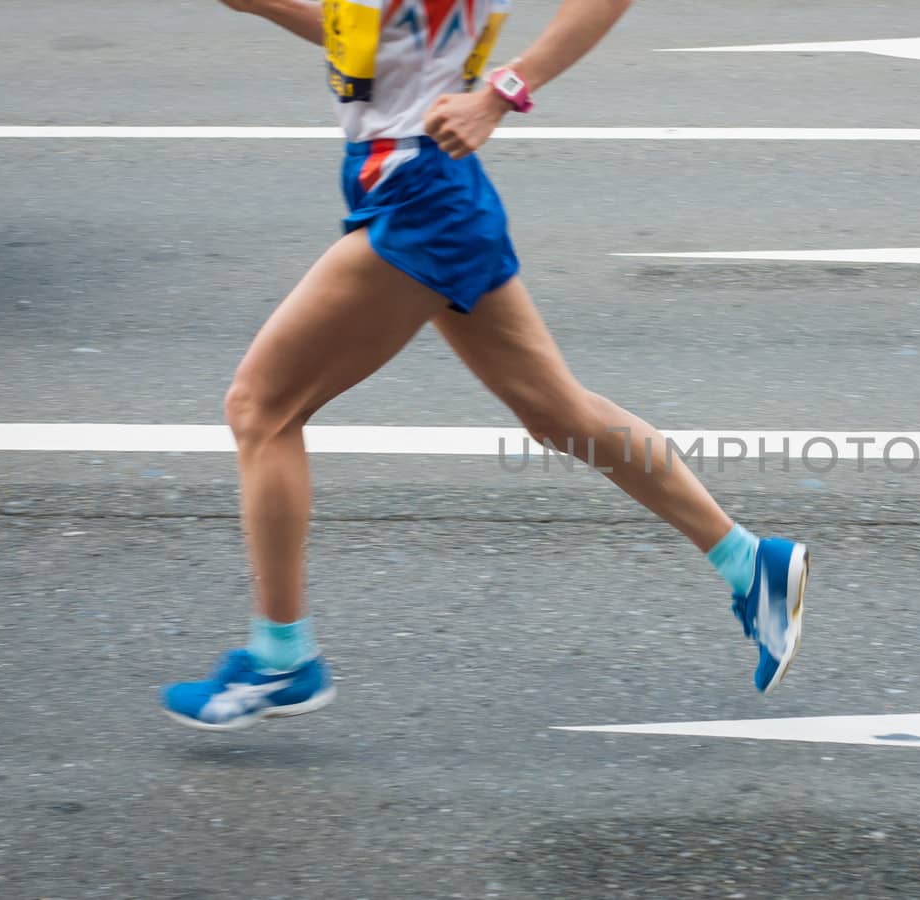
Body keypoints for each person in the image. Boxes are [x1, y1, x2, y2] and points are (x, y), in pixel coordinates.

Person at [161, 0, 808, 731]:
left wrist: (502, 91)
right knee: (556, 413)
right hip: (412, 186)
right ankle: (751, 564)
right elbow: (384, 35)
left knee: (262, 409)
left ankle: (282, 658)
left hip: (421, 197)